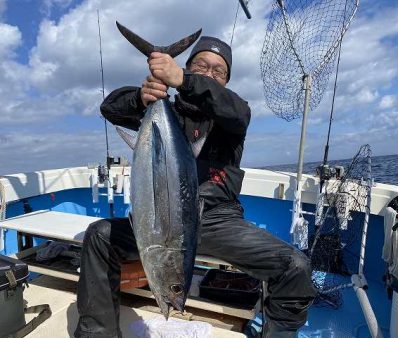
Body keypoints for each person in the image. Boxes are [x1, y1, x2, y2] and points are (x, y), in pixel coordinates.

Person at [74, 36, 317, 338]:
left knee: (294, 265)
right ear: (187, 66)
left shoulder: (231, 116)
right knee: (99, 235)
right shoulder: (167, 115)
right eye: (202, 66)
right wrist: (141, 97)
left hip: (217, 222)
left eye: (219, 71)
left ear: (225, 82)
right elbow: (110, 108)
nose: (210, 73)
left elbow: (238, 111)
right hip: (160, 222)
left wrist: (183, 79)